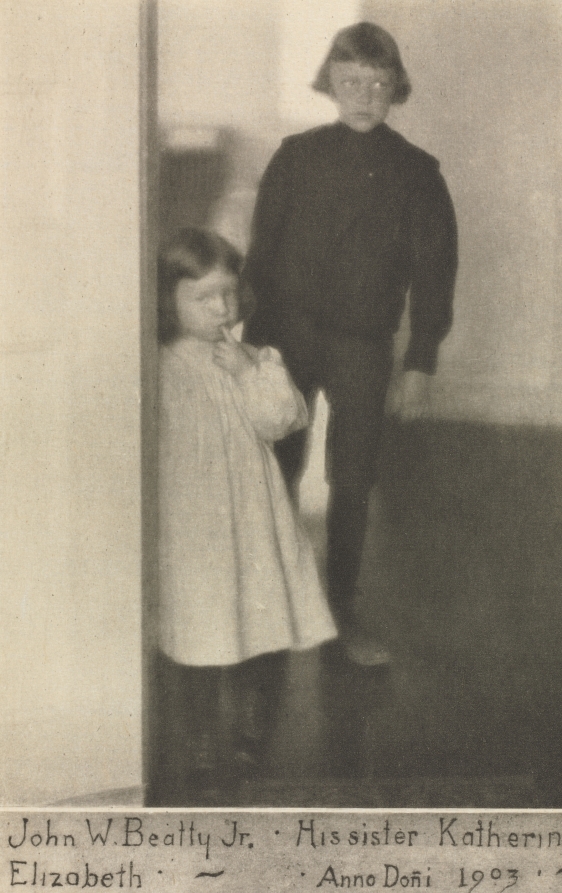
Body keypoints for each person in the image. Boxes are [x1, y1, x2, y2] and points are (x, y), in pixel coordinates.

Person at [242, 22, 458, 667]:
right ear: (329, 85)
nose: (364, 96)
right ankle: (273, 600)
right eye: (350, 82)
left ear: (396, 88)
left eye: (378, 84)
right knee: (277, 465)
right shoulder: (295, 156)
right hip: (285, 337)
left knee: (354, 476)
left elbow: (436, 275)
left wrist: (419, 362)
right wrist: (252, 349)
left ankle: (340, 607)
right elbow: (261, 256)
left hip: (363, 346)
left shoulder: (418, 174)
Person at [156, 228, 336, 800]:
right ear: (168, 301)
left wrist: (248, 372)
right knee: (198, 623)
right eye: (203, 297)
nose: (221, 308)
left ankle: (251, 731)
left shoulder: (256, 358)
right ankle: (200, 740)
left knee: (260, 614)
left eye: (228, 294)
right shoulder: (158, 366)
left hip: (252, 513)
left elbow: (282, 421)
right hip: (192, 519)